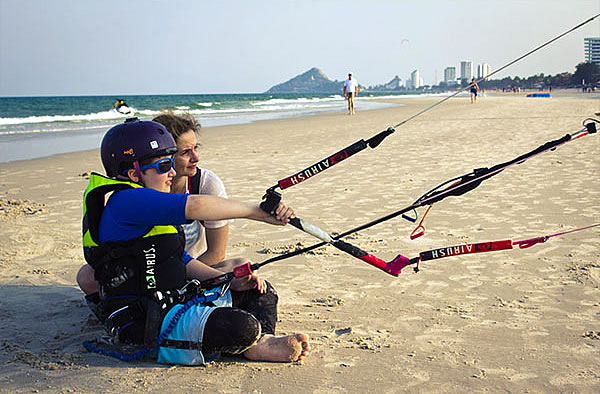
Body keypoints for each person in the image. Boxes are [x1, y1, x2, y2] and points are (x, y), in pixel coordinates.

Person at [79, 118, 309, 364]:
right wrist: (257, 211)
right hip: (144, 321)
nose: (171, 172)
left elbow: (180, 260)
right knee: (243, 326)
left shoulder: (152, 205)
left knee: (259, 291)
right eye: (164, 165)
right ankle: (252, 342)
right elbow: (196, 205)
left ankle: (259, 341)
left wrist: (227, 281)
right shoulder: (127, 202)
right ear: (135, 174)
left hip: (175, 300)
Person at [152, 111, 230, 267]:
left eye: (196, 148)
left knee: (241, 265)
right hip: (149, 272)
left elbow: (217, 253)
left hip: (196, 267)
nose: (196, 157)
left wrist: (181, 276)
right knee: (88, 276)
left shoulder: (205, 183)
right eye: (186, 152)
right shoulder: (142, 186)